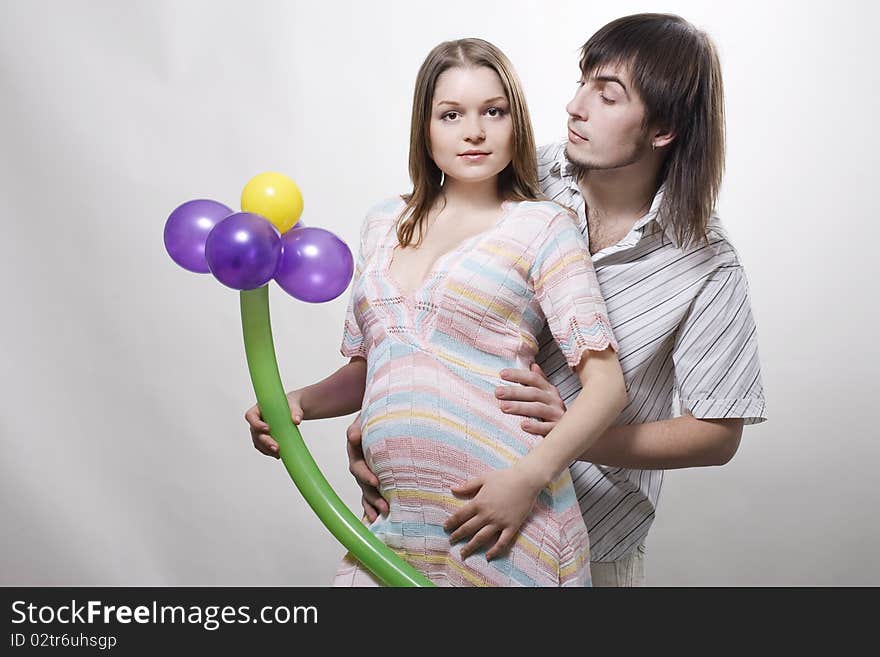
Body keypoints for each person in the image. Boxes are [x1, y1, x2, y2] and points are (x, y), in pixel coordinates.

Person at [337, 14, 768, 587]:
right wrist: (385, 433)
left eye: (606, 95)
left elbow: (719, 434)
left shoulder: (707, 262)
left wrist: (558, 446)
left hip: (594, 534)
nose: (575, 106)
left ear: (662, 128)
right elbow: (410, 315)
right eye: (583, 80)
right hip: (440, 518)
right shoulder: (513, 174)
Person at [246, 38, 627, 586]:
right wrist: (298, 402)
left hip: (505, 523)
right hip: (398, 521)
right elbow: (373, 365)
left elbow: (607, 386)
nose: (474, 131)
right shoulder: (383, 223)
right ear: (424, 129)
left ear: (514, 122)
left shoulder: (543, 226)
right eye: (451, 114)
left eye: (493, 112)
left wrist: (526, 479)